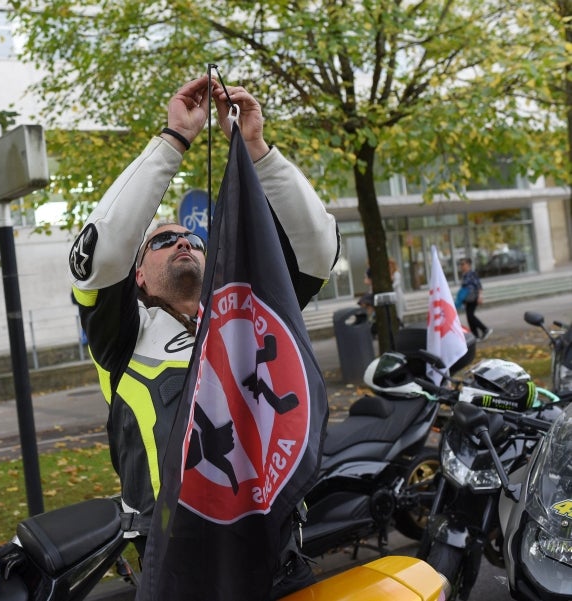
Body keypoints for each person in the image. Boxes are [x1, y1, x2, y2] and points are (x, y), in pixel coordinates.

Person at [68, 75, 339, 597]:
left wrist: (259, 151)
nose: (185, 243)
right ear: (138, 276)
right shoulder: (121, 337)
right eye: (164, 240)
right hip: (182, 566)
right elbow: (100, 253)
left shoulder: (243, 311)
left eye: (193, 237)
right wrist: (174, 140)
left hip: (277, 549)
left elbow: (317, 250)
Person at [456, 258, 492, 340]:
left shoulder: (472, 274)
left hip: (473, 298)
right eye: (460, 264)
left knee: (470, 316)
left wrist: (480, 296)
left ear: (468, 264)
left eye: (463, 264)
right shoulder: (465, 275)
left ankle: (484, 329)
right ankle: (475, 336)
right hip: (467, 299)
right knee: (469, 317)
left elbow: (478, 285)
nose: (461, 266)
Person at [389, 257, 407, 324]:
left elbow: (397, 282)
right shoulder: (390, 273)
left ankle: (400, 322)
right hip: (393, 294)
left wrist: (391, 287)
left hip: (397, 293)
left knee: (399, 310)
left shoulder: (396, 273)